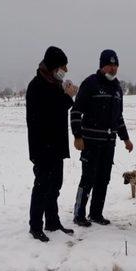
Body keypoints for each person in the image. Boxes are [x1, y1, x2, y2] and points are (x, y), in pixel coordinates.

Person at [71, 49, 134, 227]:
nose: (113, 69)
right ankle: (79, 214)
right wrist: (77, 136)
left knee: (103, 179)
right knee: (88, 178)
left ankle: (96, 214)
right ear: (101, 66)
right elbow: (75, 111)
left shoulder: (117, 89)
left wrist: (126, 139)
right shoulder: (90, 83)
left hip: (109, 143)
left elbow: (118, 118)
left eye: (116, 66)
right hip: (90, 143)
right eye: (109, 65)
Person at [26, 46, 78, 242]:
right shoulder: (37, 85)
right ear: (54, 65)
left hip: (56, 145)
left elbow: (57, 108)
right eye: (63, 65)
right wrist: (67, 97)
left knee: (55, 184)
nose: (66, 69)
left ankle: (52, 222)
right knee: (42, 185)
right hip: (42, 146)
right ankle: (35, 226)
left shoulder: (54, 83)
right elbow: (47, 114)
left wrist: (65, 93)